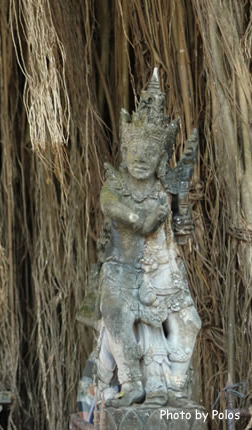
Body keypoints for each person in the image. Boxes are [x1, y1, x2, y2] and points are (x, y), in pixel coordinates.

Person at [97, 70, 200, 408]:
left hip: (161, 273)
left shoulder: (163, 190)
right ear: (125, 150)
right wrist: (139, 219)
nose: (140, 159)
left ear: (160, 158)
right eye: (134, 151)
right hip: (121, 273)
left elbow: (174, 229)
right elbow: (111, 206)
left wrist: (180, 222)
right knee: (115, 316)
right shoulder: (116, 185)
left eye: (148, 153)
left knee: (189, 323)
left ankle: (174, 386)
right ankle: (132, 383)